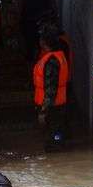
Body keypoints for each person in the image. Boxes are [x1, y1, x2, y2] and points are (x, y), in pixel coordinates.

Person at [34, 23, 70, 152]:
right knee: (57, 140)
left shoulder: (50, 61)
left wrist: (43, 112)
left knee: (51, 143)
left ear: (43, 42)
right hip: (60, 106)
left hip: (52, 109)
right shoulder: (60, 56)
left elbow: (50, 89)